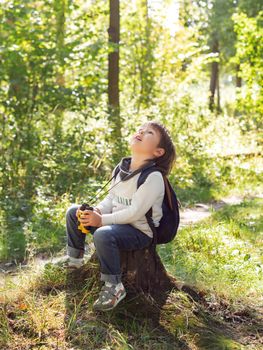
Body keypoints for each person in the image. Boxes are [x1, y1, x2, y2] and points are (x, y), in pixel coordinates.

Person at [64, 120, 176, 311]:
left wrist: (101, 221)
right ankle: (74, 262)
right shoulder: (123, 167)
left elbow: (134, 213)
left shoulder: (153, 177)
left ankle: (113, 286)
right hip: (116, 224)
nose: (140, 132)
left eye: (149, 133)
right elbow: (111, 198)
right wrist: (98, 211)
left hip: (140, 232)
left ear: (158, 152)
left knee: (103, 234)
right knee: (74, 212)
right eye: (140, 129)